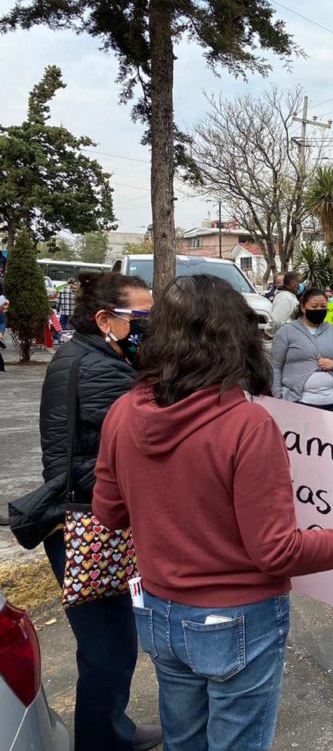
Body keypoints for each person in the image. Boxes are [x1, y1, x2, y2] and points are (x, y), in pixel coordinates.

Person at [91, 274, 333, 751]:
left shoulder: (123, 411)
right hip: (237, 621)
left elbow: (110, 514)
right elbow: (277, 552)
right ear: (235, 336)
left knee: (184, 743)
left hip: (159, 614)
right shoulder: (246, 425)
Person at [36, 271, 161, 751]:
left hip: (84, 513)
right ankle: (101, 741)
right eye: (142, 318)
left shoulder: (87, 354)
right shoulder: (103, 370)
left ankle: (114, 730)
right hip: (88, 519)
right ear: (106, 319)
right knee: (108, 650)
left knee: (111, 643)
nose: (150, 327)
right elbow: (138, 444)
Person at [271, 288, 333, 414]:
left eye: (323, 306)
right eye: (314, 306)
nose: (319, 310)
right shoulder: (286, 332)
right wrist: (277, 395)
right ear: (303, 307)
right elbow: (276, 366)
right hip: (299, 403)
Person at [269, 271, 300, 335]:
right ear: (292, 283)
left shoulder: (288, 296)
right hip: (285, 336)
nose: (299, 285)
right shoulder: (286, 298)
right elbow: (277, 321)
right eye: (298, 282)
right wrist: (268, 333)